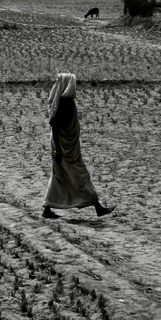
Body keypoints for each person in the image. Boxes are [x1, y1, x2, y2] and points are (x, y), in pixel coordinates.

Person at [42, 73, 115, 219]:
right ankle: (97, 206)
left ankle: (47, 208)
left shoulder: (63, 102)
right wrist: (57, 149)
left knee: (59, 176)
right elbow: (55, 125)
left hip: (64, 146)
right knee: (81, 175)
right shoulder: (65, 103)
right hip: (63, 148)